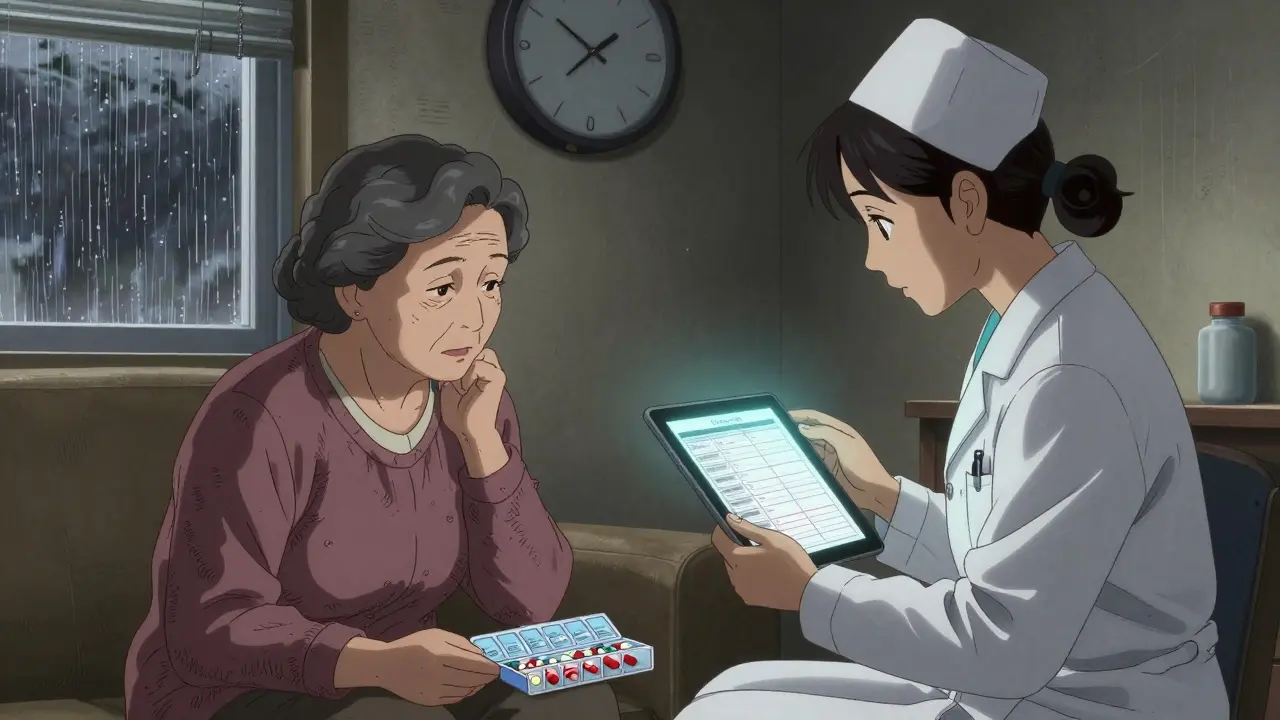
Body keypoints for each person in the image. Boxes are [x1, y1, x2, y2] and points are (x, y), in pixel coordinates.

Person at [677, 18, 1228, 720]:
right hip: (1044, 682)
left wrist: (810, 594)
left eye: (882, 222)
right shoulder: (1028, 323)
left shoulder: (1070, 375)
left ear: (967, 201)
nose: (875, 260)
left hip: (1094, 705)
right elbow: (1014, 567)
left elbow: (1000, 639)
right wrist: (885, 499)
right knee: (729, 693)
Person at [124, 135, 619, 720]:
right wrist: (376, 664)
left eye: (491, 284)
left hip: (403, 679)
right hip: (235, 694)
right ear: (354, 290)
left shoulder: (472, 396)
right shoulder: (261, 413)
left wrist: (484, 447)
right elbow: (213, 627)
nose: (476, 316)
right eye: (443, 287)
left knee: (575, 701)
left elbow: (532, 602)